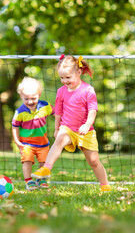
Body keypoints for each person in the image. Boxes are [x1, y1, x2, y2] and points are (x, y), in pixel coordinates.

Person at [31, 54, 111, 192]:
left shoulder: (88, 90)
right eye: (62, 77)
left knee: (93, 161)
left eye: (68, 77)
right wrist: (57, 129)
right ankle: (46, 169)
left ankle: (105, 186)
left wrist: (87, 125)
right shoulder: (61, 92)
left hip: (85, 131)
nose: (64, 81)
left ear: (79, 72)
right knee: (60, 140)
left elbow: (93, 110)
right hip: (67, 128)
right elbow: (59, 112)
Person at [12, 77, 54, 191]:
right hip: (26, 144)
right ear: (21, 96)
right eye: (26, 99)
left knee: (44, 162)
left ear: (39, 95)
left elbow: (57, 112)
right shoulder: (19, 112)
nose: (30, 101)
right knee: (27, 161)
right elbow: (14, 127)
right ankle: (28, 181)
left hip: (43, 143)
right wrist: (17, 142)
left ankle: (41, 179)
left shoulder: (45, 106)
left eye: (33, 98)